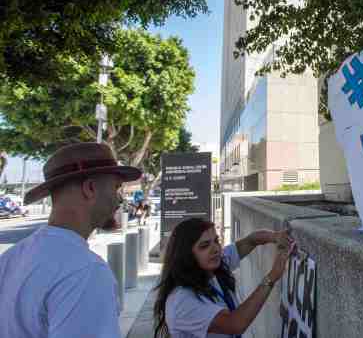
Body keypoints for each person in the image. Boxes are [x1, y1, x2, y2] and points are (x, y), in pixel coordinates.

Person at [0, 143, 142, 338]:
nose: (120, 200)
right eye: (116, 187)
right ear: (90, 188)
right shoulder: (86, 270)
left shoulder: (10, 258)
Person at [153, 218, 294, 338]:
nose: (215, 249)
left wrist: (275, 237)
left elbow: (251, 241)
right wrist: (272, 276)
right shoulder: (181, 300)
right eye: (204, 246)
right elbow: (235, 324)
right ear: (186, 256)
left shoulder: (213, 266)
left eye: (216, 241)